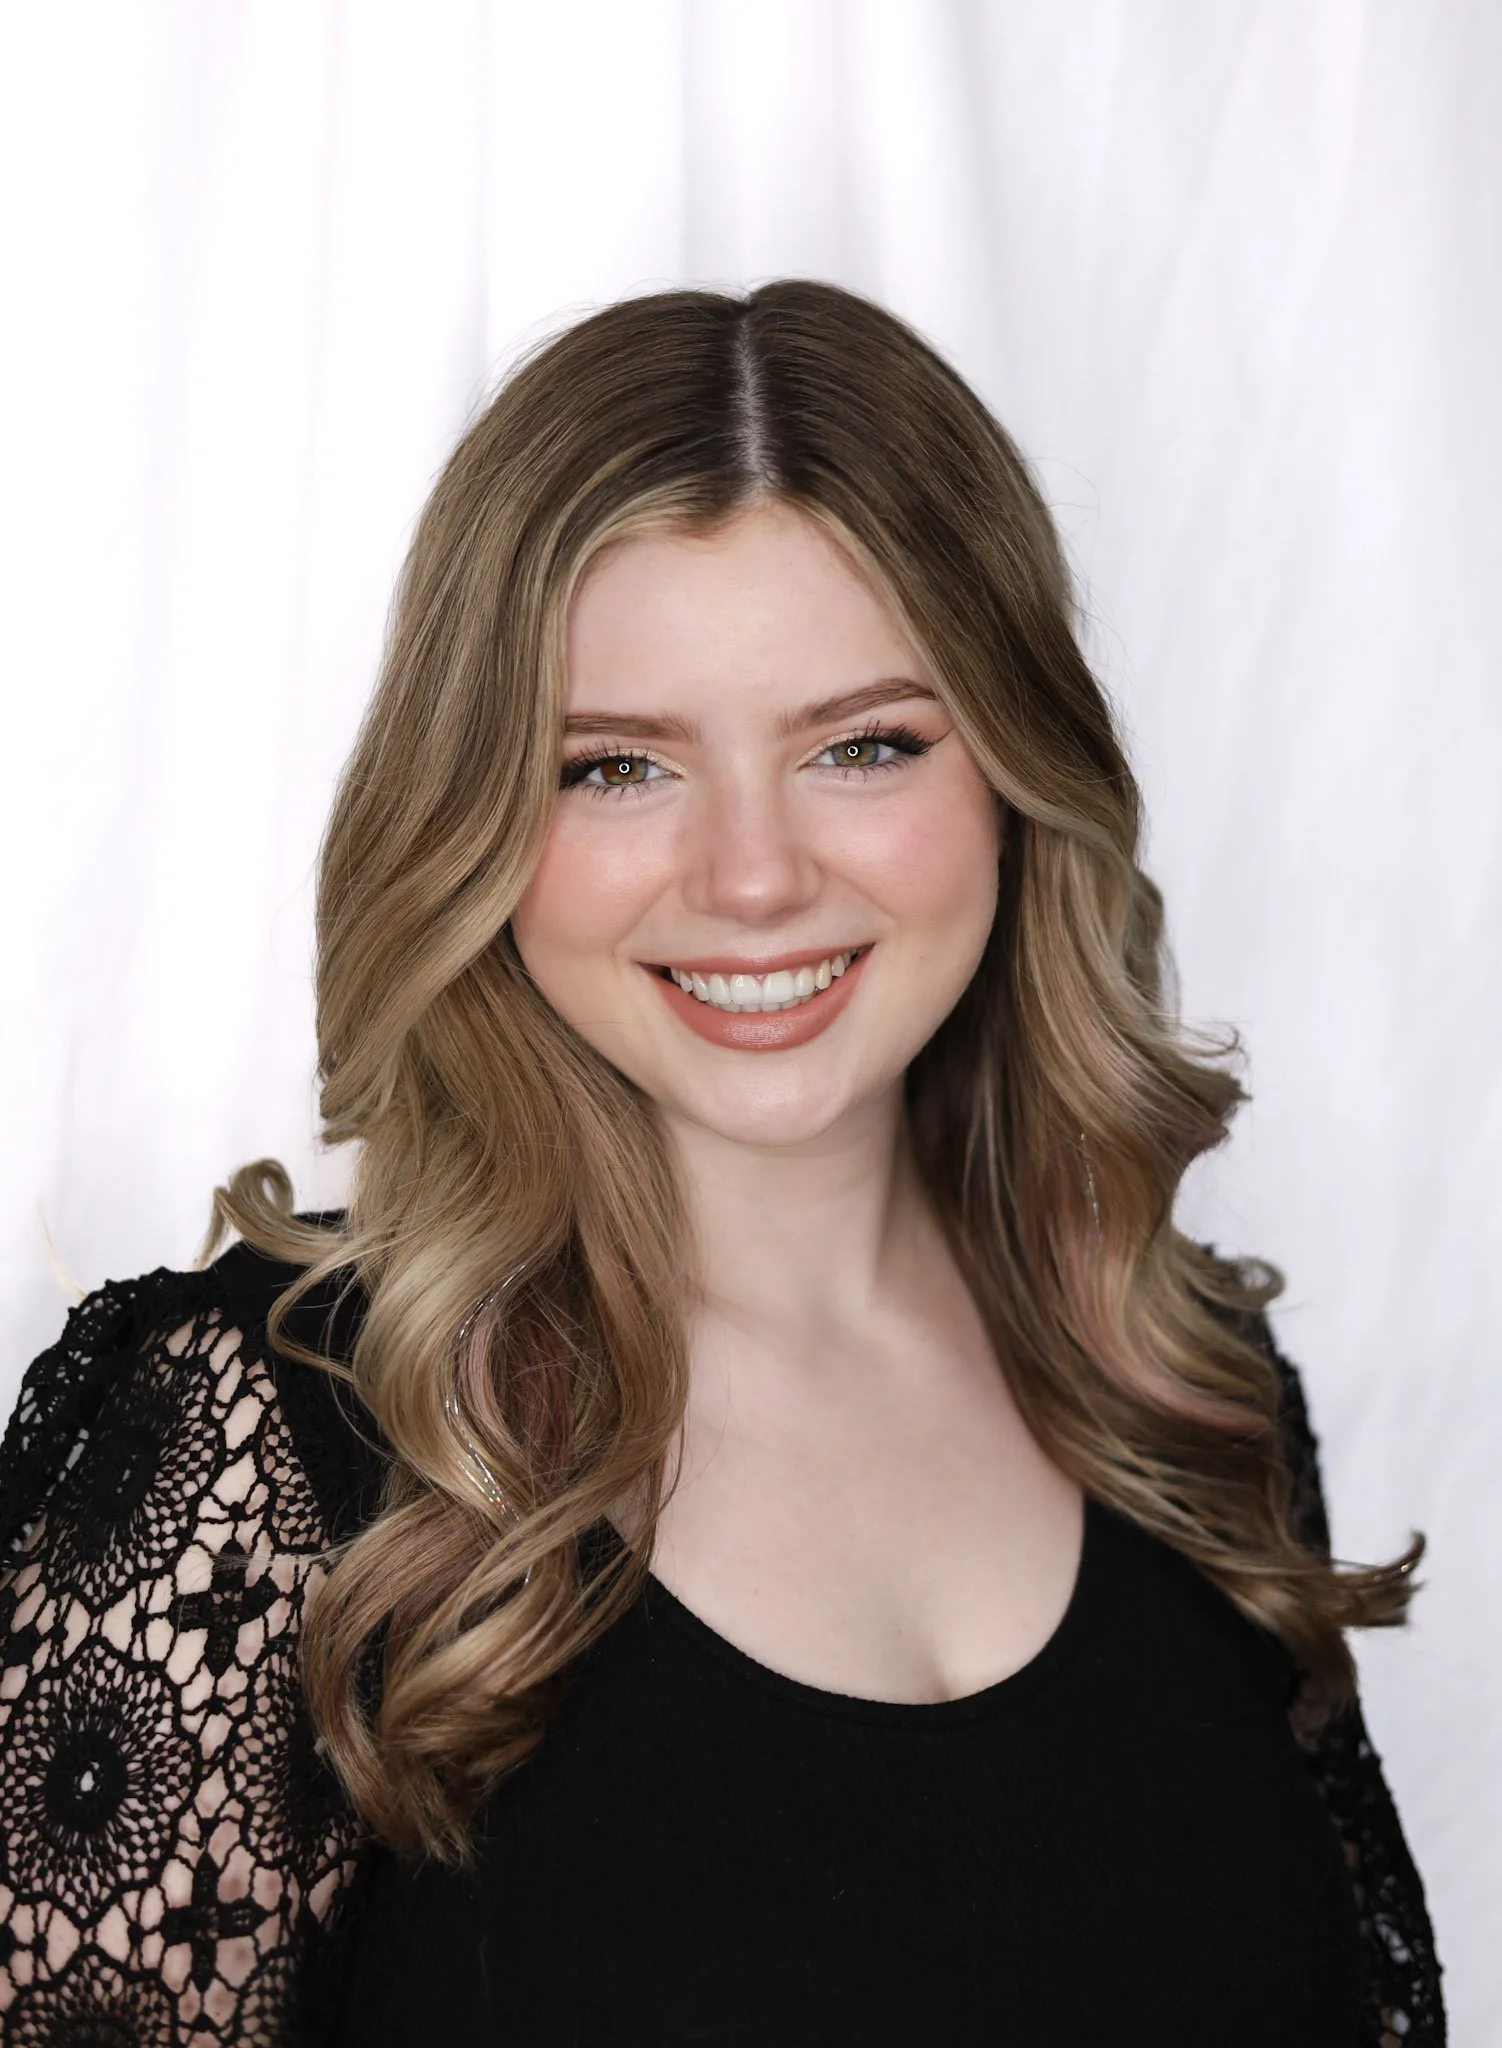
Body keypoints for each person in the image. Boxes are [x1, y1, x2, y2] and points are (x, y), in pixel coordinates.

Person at [0, 281, 1442, 2047]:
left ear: (1012, 771)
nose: (751, 877)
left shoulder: (1185, 1391)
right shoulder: (264, 1453)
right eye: (615, 768)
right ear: (472, 820)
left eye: (862, 745)